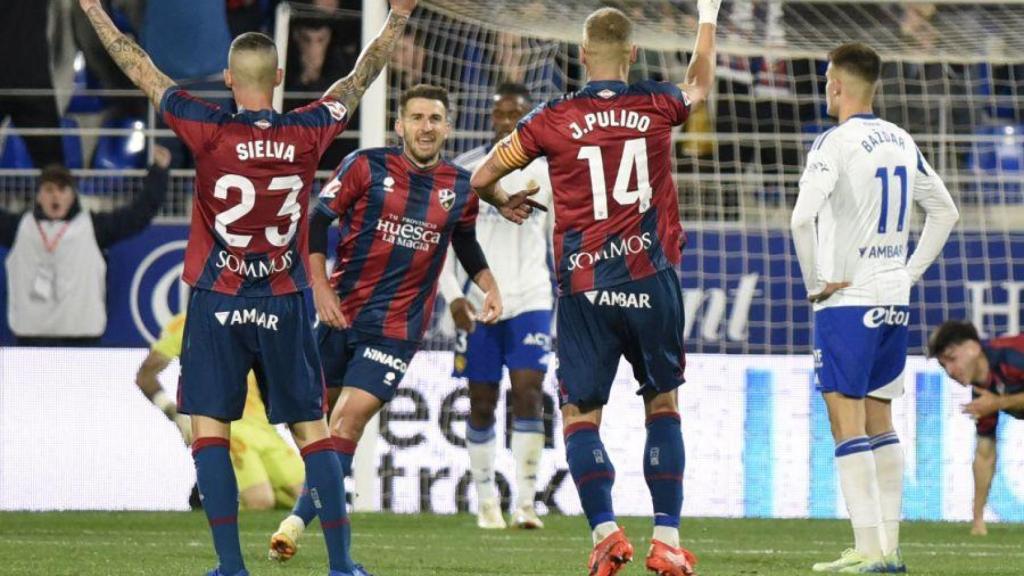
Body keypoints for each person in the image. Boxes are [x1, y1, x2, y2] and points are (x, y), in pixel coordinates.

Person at [79, 0, 416, 574]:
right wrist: (398, 18)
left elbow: (139, 66)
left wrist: (93, 9)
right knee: (312, 432)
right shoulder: (310, 128)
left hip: (219, 298)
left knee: (209, 431)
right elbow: (361, 74)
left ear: (230, 80)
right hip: (283, 297)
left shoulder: (207, 125)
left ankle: (231, 567)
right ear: (281, 78)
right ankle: (341, 566)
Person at [468, 4, 720, 575]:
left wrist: (503, 201)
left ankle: (606, 534)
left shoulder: (551, 117)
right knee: (663, 404)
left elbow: (481, 177)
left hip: (583, 288)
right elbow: (699, 83)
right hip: (651, 278)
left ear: (581, 55)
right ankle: (668, 540)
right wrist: (707, 15)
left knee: (581, 416)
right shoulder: (657, 103)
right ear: (632, 54)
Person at [268, 83, 504, 561]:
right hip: (341, 316)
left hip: (396, 329)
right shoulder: (365, 166)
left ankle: (296, 523)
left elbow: (464, 243)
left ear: (448, 127)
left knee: (346, 422)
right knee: (309, 421)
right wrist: (319, 286)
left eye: (435, 119)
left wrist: (489, 284)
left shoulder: (459, 187)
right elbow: (315, 222)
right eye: (416, 117)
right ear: (400, 125)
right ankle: (315, 504)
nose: (425, 127)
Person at [790, 43, 959, 573]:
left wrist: (815, 281)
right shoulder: (902, 140)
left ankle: (867, 548)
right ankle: (888, 548)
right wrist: (908, 272)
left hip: (848, 299)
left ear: (837, 85)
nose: (824, 88)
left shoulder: (834, 142)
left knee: (847, 419)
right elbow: (945, 212)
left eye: (825, 80)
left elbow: (800, 220)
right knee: (881, 417)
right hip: (893, 295)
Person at [438, 82, 553, 531]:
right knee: (481, 401)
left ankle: (526, 502)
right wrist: (452, 298)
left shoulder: (546, 171)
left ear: (527, 119)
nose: (508, 121)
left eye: (517, 114)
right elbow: (444, 242)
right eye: (501, 113)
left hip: (531, 298)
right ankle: (487, 502)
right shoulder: (469, 171)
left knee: (528, 394)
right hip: (480, 302)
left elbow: (557, 237)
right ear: (491, 118)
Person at [136, 313, 306, 511]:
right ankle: (212, 505)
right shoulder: (189, 322)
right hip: (224, 427)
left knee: (307, 501)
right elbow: (145, 375)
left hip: (263, 427)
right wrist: (176, 414)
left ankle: (208, 495)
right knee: (261, 501)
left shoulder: (256, 318)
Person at [1, 150, 169, 346]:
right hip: (30, 339)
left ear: (73, 195)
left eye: (62, 189)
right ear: (39, 196)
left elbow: (138, 215)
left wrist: (158, 172)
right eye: (48, 189)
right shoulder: (19, 228)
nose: (55, 196)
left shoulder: (94, 227)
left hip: (81, 341)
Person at [927, 320, 1024, 536]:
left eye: (952, 359)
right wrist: (978, 519)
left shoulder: (1014, 355)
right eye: (944, 366)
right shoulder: (982, 391)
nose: (950, 371)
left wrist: (999, 403)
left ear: (973, 347)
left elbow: (998, 403)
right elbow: (984, 455)